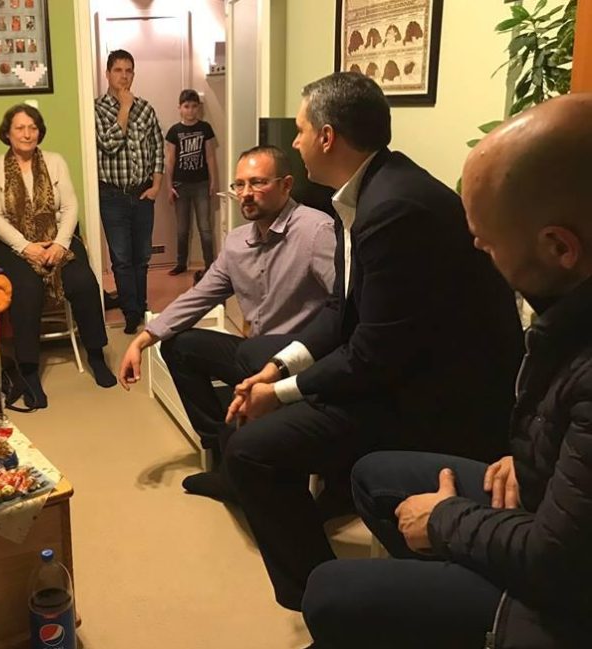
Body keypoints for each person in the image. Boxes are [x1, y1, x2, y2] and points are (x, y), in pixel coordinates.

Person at [221, 72, 523, 610]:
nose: (295, 142)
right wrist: (278, 369)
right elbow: (343, 311)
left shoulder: (393, 208)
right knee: (259, 369)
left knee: (251, 452)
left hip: (438, 398)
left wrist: (281, 394)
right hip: (402, 368)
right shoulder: (369, 191)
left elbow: (371, 356)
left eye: (301, 130)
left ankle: (322, 601)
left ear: (327, 137)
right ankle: (330, 536)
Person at [302, 92, 592, 649]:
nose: (476, 248)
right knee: (375, 476)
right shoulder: (568, 307)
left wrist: (446, 521)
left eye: (487, 241)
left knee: (328, 591)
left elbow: (557, 561)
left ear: (559, 247)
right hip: (546, 514)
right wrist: (533, 459)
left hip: (565, 600)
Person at [118, 145, 336, 476]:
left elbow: (345, 305)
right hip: (254, 357)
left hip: (299, 363)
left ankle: (247, 453)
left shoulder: (315, 231)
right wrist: (142, 340)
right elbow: (200, 296)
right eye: (240, 184)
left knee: (251, 350)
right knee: (179, 345)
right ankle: (220, 446)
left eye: (258, 183)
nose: (246, 193)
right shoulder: (237, 242)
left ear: (286, 185)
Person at [0, 104, 116, 408]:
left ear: (40, 132)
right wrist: (26, 246)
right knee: (27, 288)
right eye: (20, 128)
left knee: (83, 281)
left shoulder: (55, 162)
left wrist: (59, 244)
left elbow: (70, 207)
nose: (27, 134)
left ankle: (96, 355)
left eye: (33, 127)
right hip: (13, 242)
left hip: (57, 236)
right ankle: (29, 369)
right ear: (7, 133)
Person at [94, 49, 165, 334]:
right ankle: (131, 312)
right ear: (107, 74)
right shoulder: (97, 109)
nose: (124, 76)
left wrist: (156, 186)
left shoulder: (146, 109)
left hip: (142, 194)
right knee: (122, 259)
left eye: (128, 71)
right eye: (118, 70)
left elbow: (158, 148)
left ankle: (141, 305)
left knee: (142, 258)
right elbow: (109, 144)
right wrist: (124, 108)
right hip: (112, 196)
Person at [164, 89, 218, 278]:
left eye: (194, 106)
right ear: (180, 108)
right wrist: (169, 186)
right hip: (180, 186)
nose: (190, 110)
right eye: (186, 106)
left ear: (199, 108)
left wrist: (213, 181)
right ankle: (181, 263)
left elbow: (210, 157)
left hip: (201, 184)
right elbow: (170, 161)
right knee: (182, 229)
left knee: (205, 227)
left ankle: (210, 265)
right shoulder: (174, 131)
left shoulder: (205, 128)